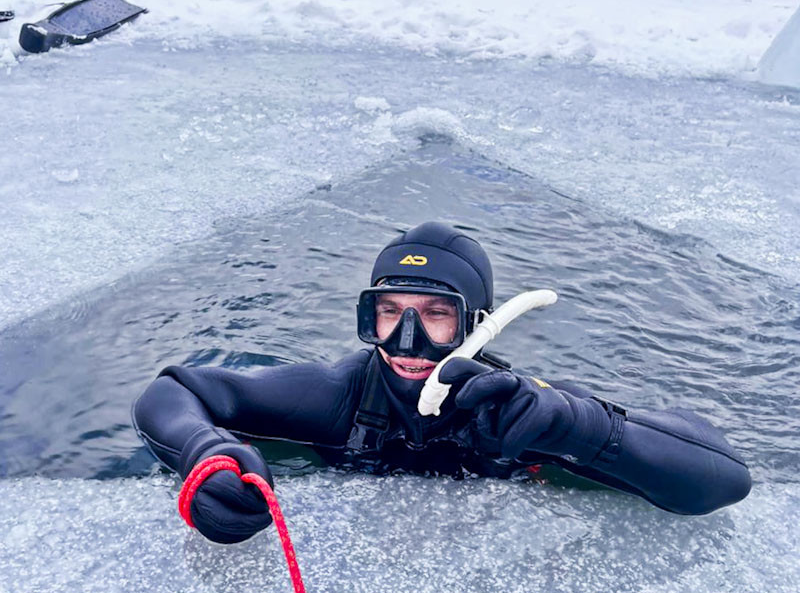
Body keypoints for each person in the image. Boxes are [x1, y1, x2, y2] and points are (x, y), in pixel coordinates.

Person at [133, 222, 751, 544]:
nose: (407, 342)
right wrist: (206, 453)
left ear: (478, 326)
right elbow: (173, 391)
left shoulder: (522, 412)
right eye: (390, 313)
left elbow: (721, 481)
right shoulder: (335, 397)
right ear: (366, 318)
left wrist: (581, 427)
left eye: (434, 315)